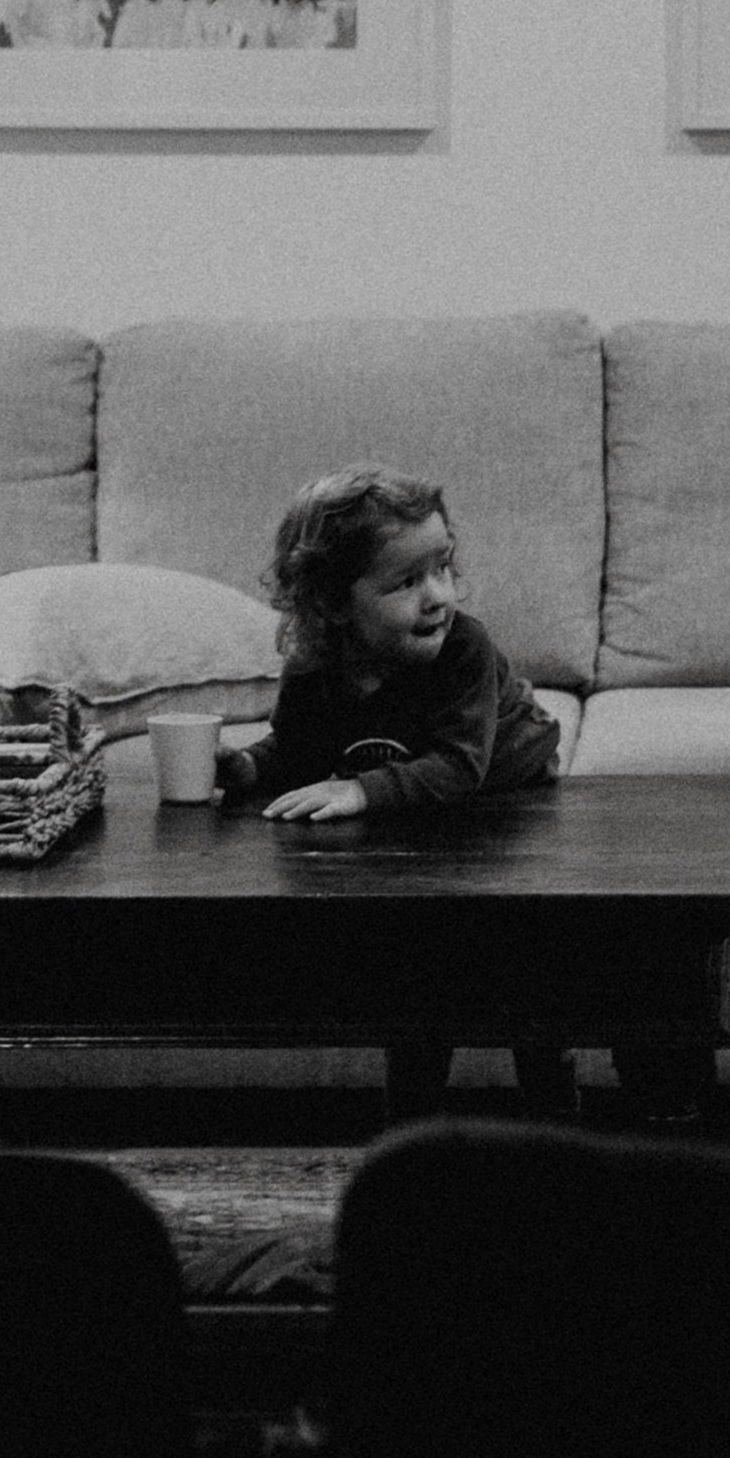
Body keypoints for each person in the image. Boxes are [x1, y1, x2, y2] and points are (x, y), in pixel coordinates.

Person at [227, 465, 579, 1120]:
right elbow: (297, 750)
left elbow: (458, 765)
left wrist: (358, 791)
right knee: (421, 980)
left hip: (506, 805)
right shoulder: (315, 666)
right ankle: (410, 1136)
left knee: (528, 978)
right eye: (406, 580)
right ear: (333, 601)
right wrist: (245, 767)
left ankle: (558, 1133)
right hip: (417, 819)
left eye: (443, 568)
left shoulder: (463, 647)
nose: (438, 595)